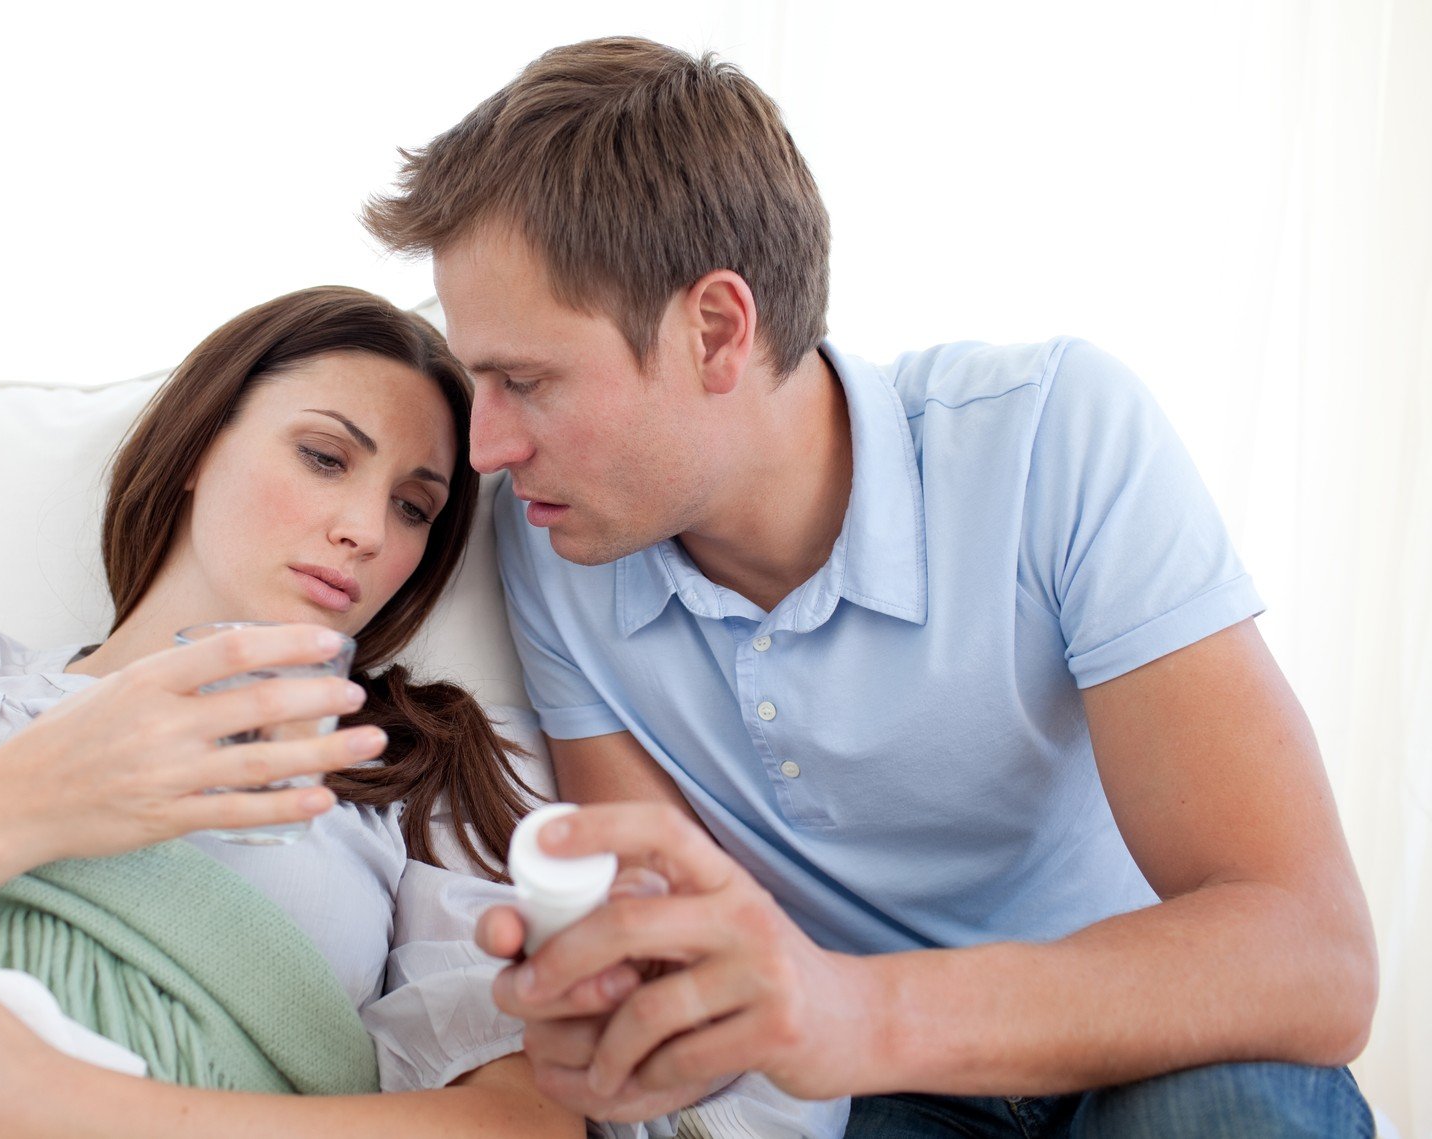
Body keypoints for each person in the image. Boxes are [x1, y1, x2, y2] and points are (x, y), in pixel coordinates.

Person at [360, 36, 1380, 1137]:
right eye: (480, 380)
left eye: (526, 380)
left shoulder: (1052, 438)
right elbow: (668, 923)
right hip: (865, 1097)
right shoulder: (559, 540)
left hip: (1135, 1031)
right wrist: (616, 1017)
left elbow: (1313, 955)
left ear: (716, 331)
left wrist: (857, 1010)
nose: (487, 447)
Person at [0, 286, 584, 1137]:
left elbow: (524, 1124)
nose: (367, 531)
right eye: (324, 457)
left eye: (414, 508)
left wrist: (39, 1106)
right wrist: (30, 796)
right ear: (198, 444)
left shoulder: (423, 769)